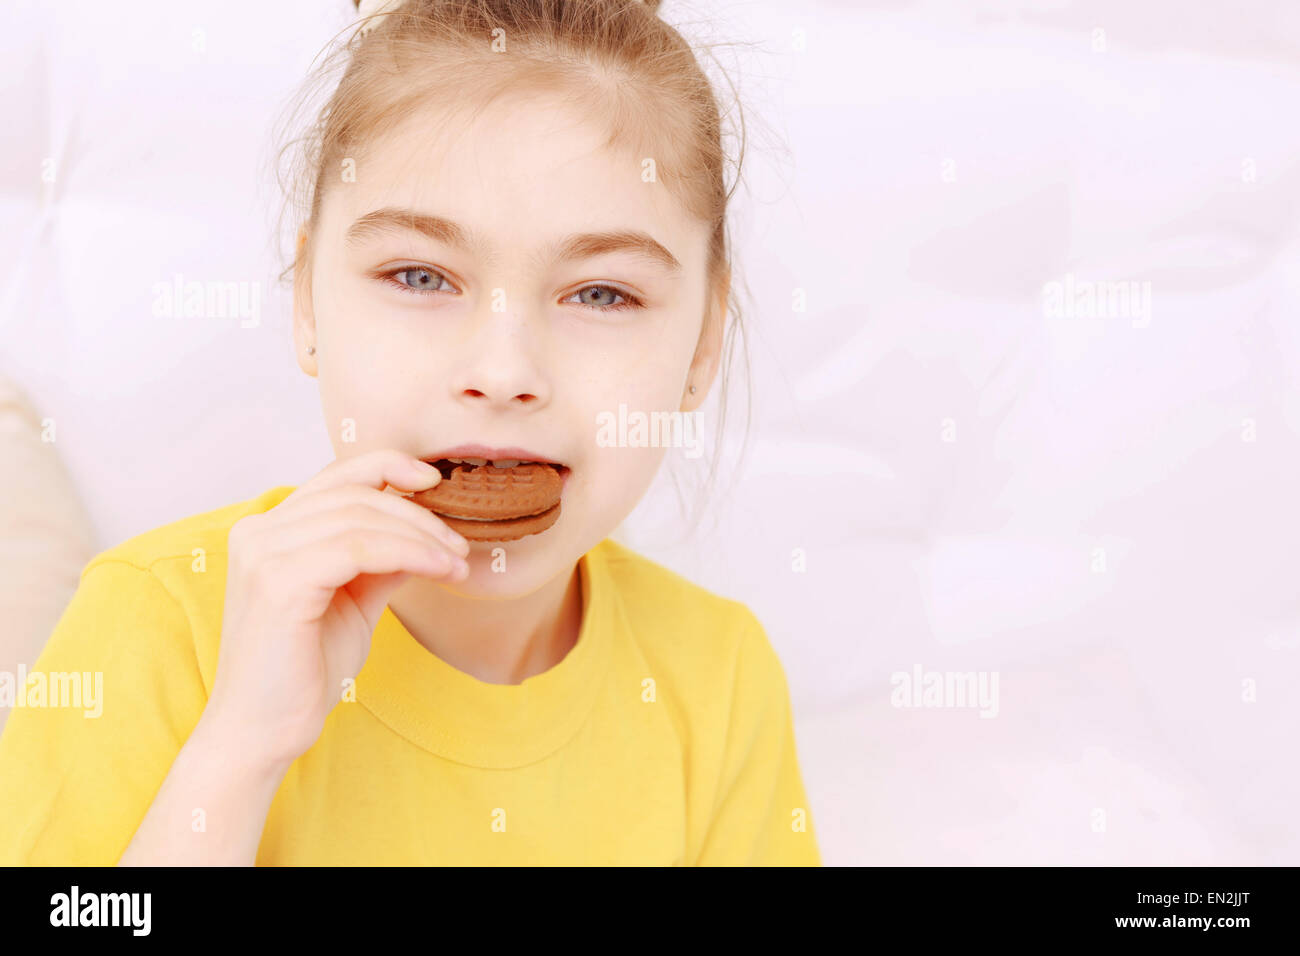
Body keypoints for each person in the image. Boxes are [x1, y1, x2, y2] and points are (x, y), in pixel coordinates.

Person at [0, 0, 820, 866]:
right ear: (309, 303)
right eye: (422, 276)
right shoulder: (152, 624)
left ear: (702, 344)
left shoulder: (720, 675)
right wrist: (240, 749)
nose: (505, 373)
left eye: (600, 294)